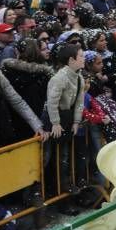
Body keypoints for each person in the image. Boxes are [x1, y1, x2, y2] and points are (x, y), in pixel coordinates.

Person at [43, 43, 85, 213]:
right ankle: (57, 195)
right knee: (57, 159)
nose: (83, 59)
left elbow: (79, 102)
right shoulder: (59, 78)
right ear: (71, 59)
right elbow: (51, 102)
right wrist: (55, 122)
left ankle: (67, 193)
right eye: (81, 56)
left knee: (66, 157)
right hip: (55, 121)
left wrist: (76, 121)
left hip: (68, 119)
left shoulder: (79, 77)